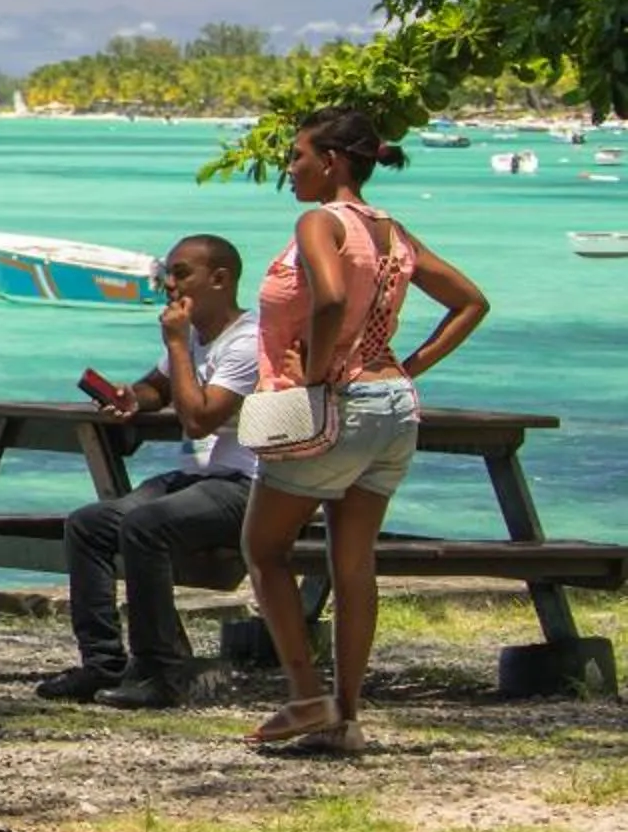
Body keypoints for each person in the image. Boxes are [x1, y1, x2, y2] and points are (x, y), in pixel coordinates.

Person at [243, 108, 488, 755]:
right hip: (395, 407)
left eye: (298, 156)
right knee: (353, 565)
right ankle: (346, 717)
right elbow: (470, 303)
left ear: (333, 161)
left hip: (340, 404)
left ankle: (305, 695)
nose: (289, 168)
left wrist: (318, 374)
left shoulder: (320, 221)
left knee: (264, 550)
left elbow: (327, 299)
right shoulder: (391, 232)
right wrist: (407, 367)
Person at [38, 234, 262, 710]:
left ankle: (162, 671)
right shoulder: (198, 338)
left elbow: (200, 416)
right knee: (90, 524)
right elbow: (160, 385)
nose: (168, 285)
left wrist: (177, 342)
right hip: (198, 480)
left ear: (220, 279)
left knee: (146, 524)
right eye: (168, 273)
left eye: (182, 274)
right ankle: (103, 663)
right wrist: (133, 397)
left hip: (248, 485)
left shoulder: (248, 342)